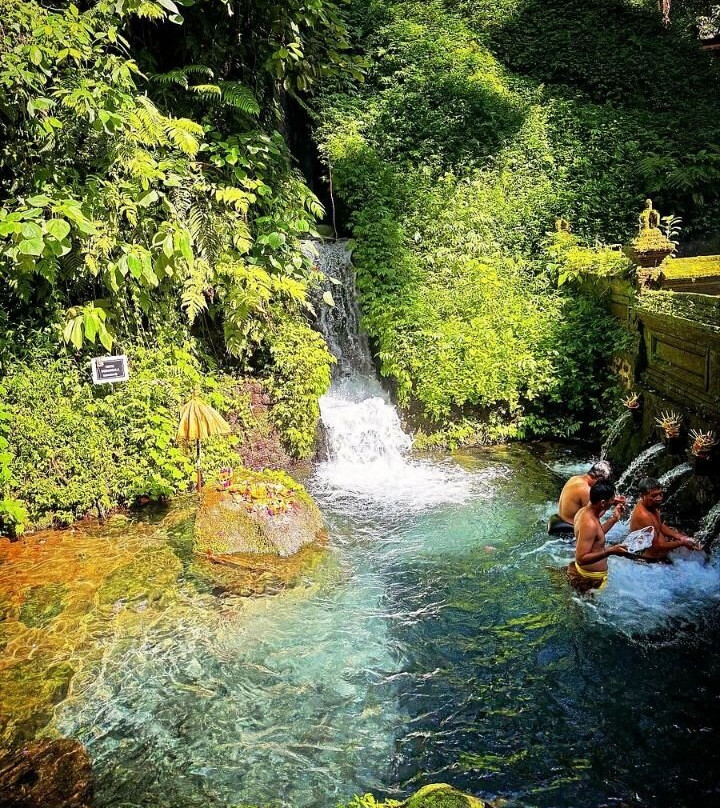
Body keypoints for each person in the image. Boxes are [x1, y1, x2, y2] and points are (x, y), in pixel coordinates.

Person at [568, 479, 630, 593]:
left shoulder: (584, 511)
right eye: (612, 499)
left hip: (589, 575)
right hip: (592, 581)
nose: (614, 502)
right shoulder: (589, 524)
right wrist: (610, 551)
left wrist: (614, 519)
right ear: (602, 503)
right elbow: (581, 558)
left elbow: (597, 536)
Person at [629, 477, 702, 562]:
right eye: (654, 495)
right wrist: (682, 543)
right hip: (648, 561)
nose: (659, 498)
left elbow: (658, 524)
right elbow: (656, 546)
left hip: (658, 555)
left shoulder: (650, 505)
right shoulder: (644, 516)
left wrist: (681, 537)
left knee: (681, 535)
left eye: (660, 494)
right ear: (642, 496)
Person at [548, 460, 623, 536]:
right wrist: (611, 506)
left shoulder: (574, 478)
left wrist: (612, 500)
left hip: (560, 519)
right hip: (569, 531)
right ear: (600, 479)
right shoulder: (586, 490)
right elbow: (595, 516)